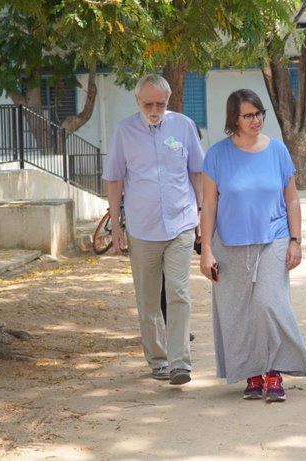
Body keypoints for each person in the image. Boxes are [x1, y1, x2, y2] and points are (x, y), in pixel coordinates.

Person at [200, 89, 306, 402]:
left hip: (273, 238)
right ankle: (252, 374)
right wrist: (206, 250)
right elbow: (208, 206)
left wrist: (295, 240)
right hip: (230, 243)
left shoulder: (277, 151)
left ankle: (275, 372)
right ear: (234, 118)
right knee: (238, 312)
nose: (256, 120)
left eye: (259, 113)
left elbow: (292, 198)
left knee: (268, 302)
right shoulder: (217, 155)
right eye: (248, 115)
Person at [102, 74, 204, 385]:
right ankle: (158, 359)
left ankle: (179, 363)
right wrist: (116, 225)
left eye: (160, 103)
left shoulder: (184, 126)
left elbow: (197, 171)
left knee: (178, 291)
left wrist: (201, 214)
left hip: (180, 223)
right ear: (138, 102)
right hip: (142, 227)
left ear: (168, 101)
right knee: (148, 299)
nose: (154, 108)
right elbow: (115, 179)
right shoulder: (123, 132)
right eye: (148, 103)